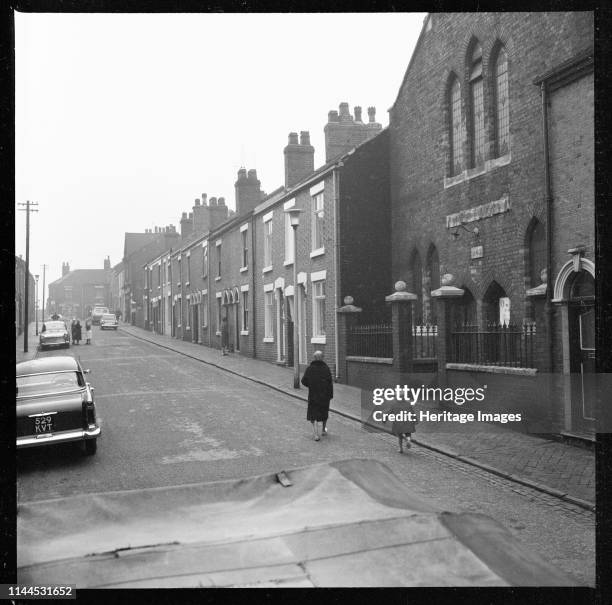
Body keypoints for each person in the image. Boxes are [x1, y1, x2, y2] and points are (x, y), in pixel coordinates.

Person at [301, 351, 333, 441]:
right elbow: (330, 383)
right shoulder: (326, 368)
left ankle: (316, 434)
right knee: (324, 412)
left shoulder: (309, 369)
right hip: (324, 396)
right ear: (322, 358)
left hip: (313, 395)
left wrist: (311, 385)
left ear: (314, 358)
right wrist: (330, 395)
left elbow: (303, 381)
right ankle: (323, 430)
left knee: (313, 414)